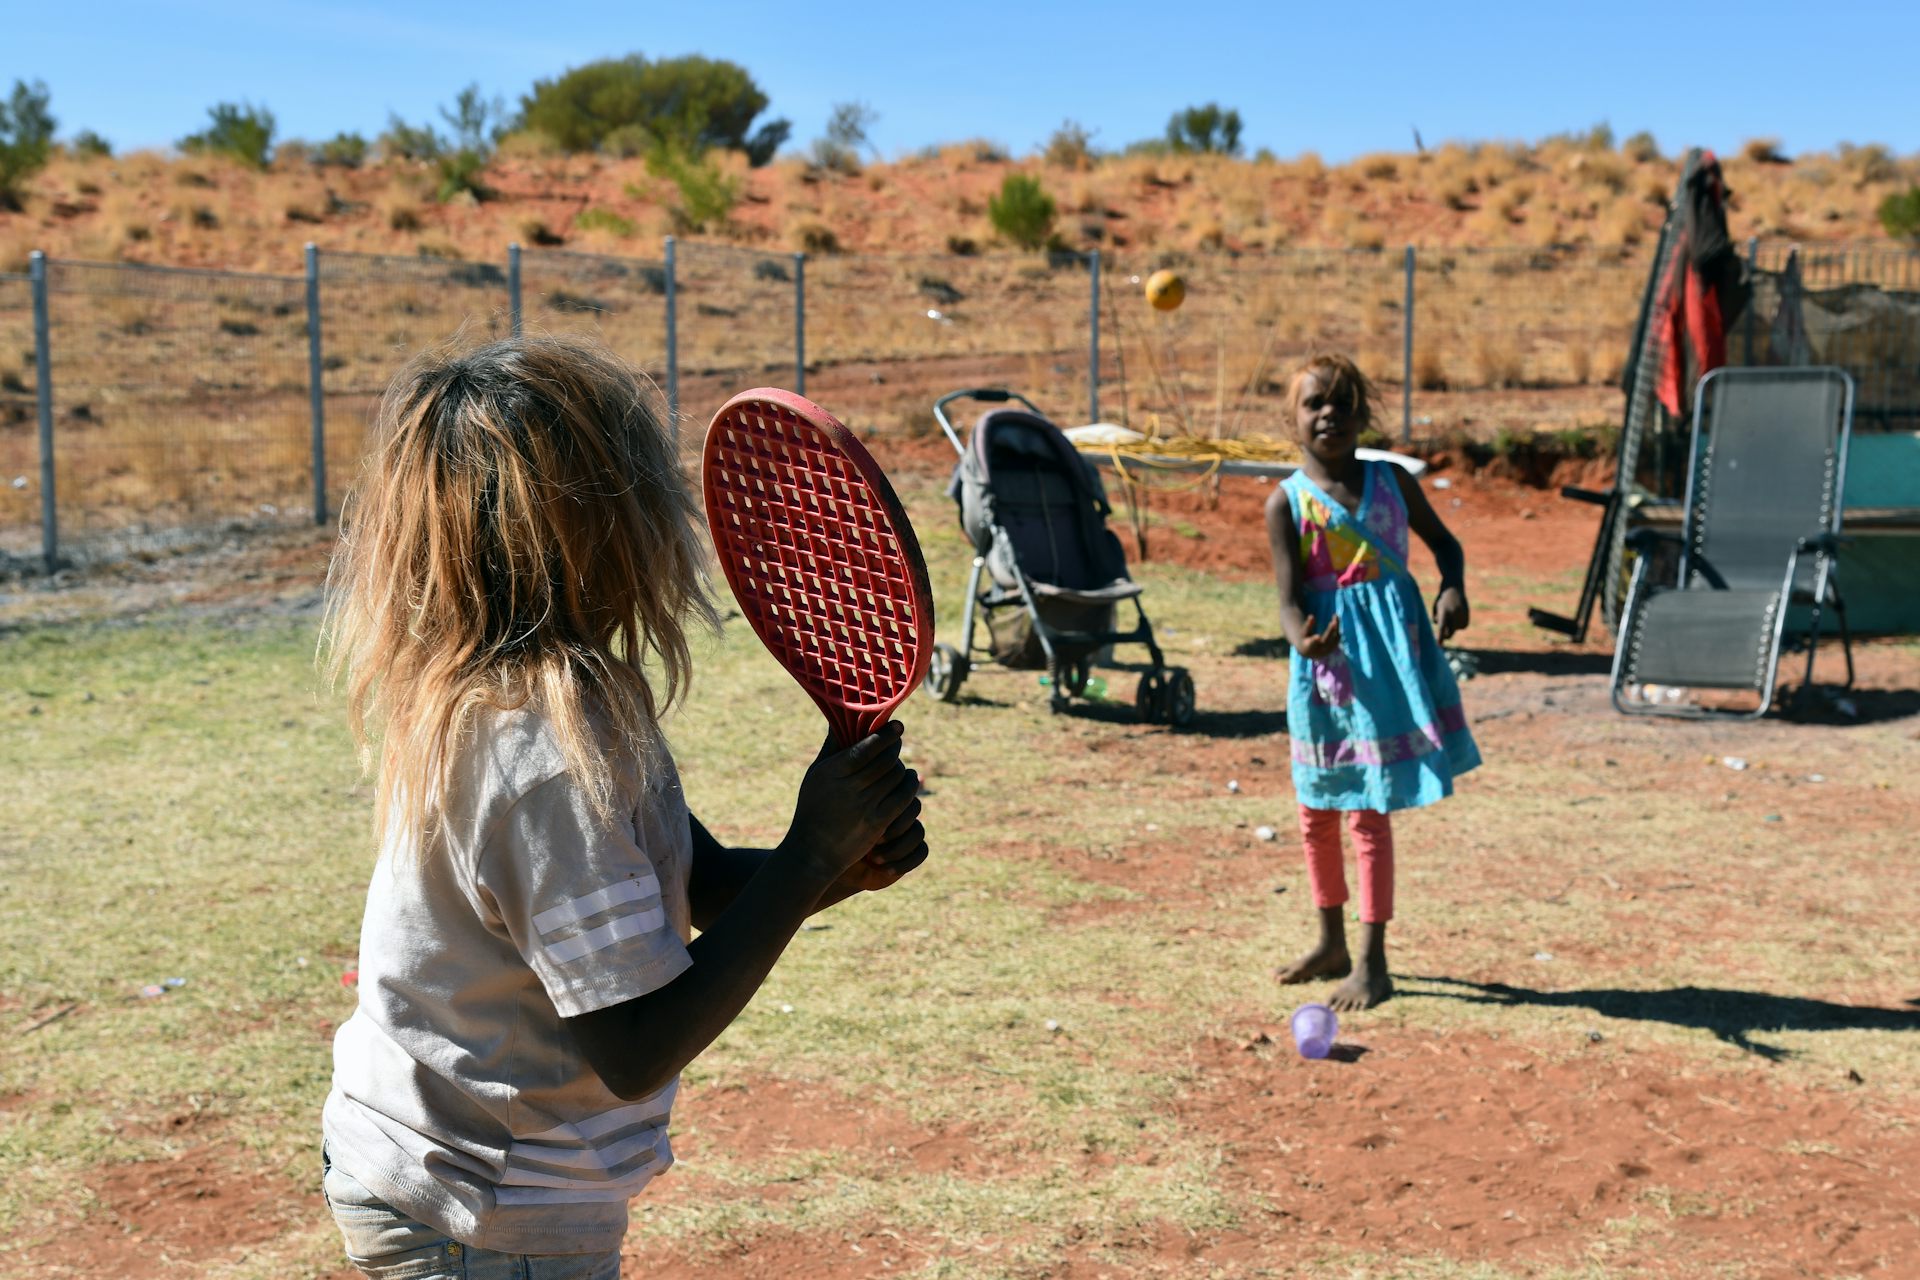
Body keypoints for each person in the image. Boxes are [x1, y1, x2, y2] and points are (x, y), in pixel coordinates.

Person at [317, 335, 927, 1279]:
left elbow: (700, 884)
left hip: (475, 1174)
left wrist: (835, 864)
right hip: (478, 1210)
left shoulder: (570, 701)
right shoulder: (538, 755)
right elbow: (634, 1046)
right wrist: (808, 858)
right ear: (595, 525)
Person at [1263, 354, 1479, 1012]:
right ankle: (1329, 940)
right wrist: (1304, 639)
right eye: (1313, 403)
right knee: (1315, 811)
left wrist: (1453, 589)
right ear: (1293, 419)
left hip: (1385, 671)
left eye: (1342, 402)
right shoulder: (1286, 502)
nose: (1328, 413)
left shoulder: (1392, 483)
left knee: (1368, 810)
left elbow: (1448, 547)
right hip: (1324, 676)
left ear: (1363, 415)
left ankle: (1371, 960)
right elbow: (1288, 601)